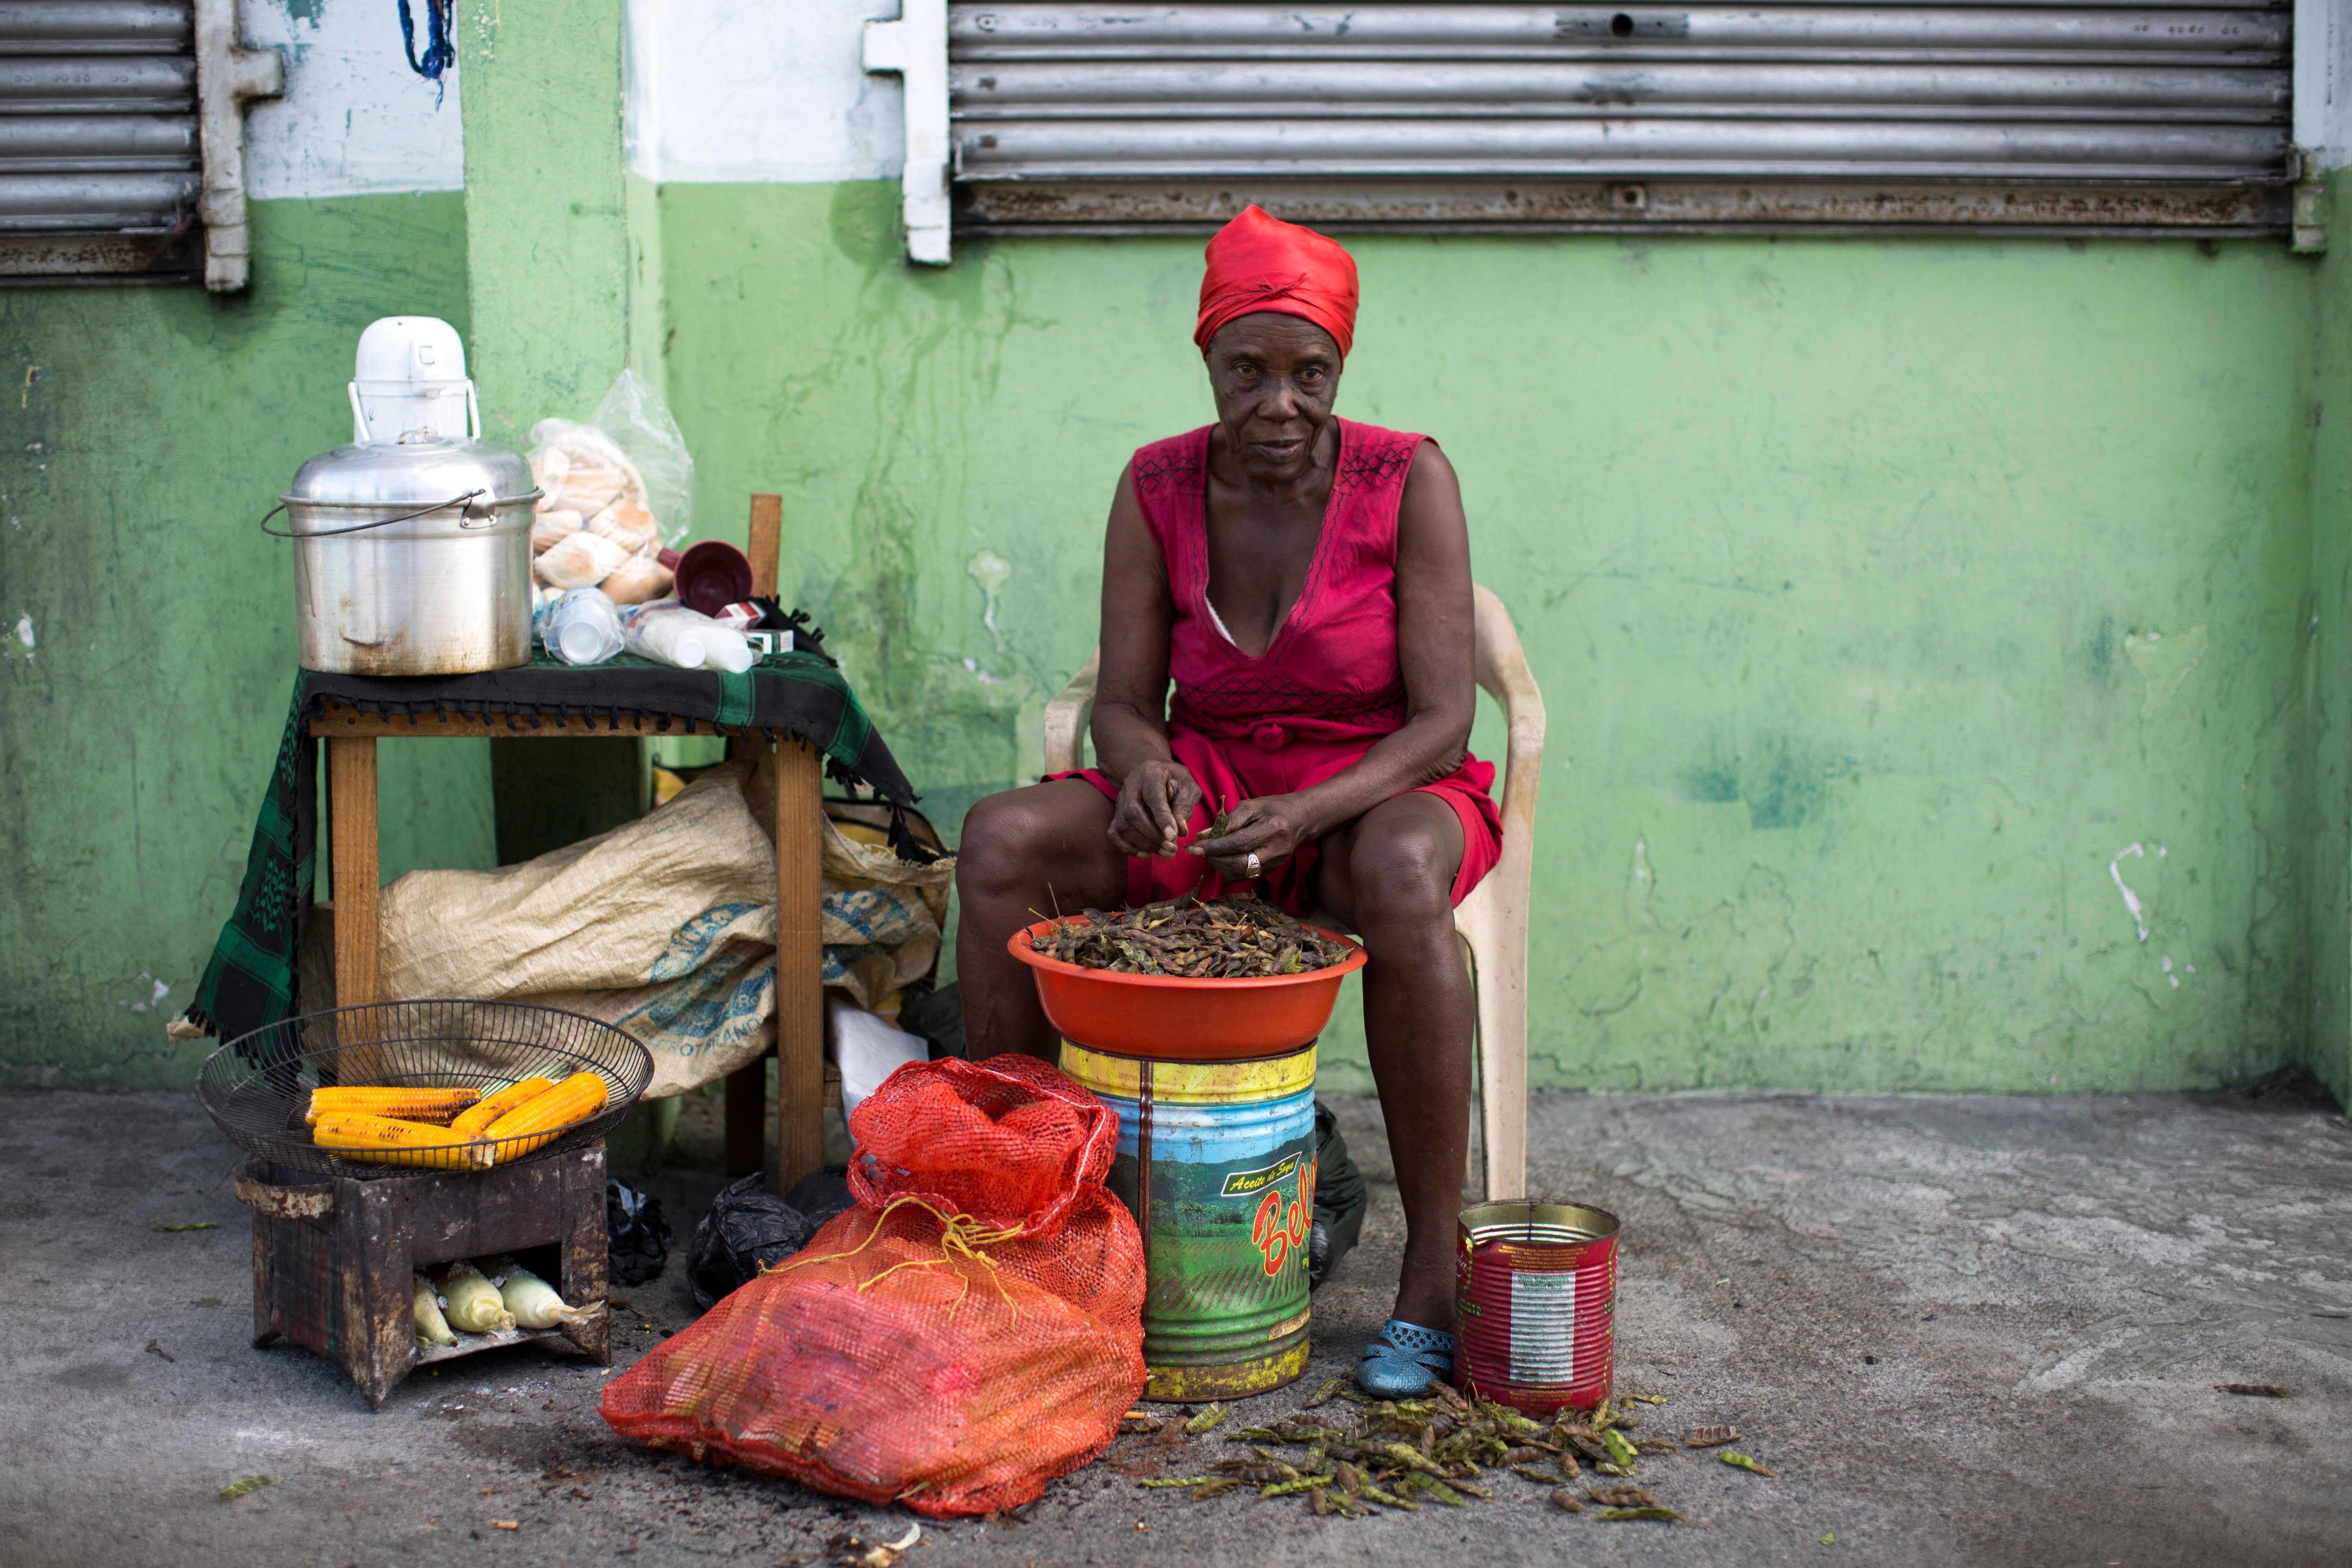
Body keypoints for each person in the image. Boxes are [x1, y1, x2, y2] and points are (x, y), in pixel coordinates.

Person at [954, 206, 1501, 1398]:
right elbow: (1123, 700)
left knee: (1404, 882)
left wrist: (1313, 813)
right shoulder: (1156, 484)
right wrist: (1145, 763)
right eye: (1246, 373)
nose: (1279, 405)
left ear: (1339, 372)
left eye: (1310, 375)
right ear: (1208, 363)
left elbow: (1444, 722)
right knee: (1001, 840)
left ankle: (1430, 1281)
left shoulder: (1408, 478)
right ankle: (1013, 1226)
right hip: (1216, 800)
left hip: (1378, 787)